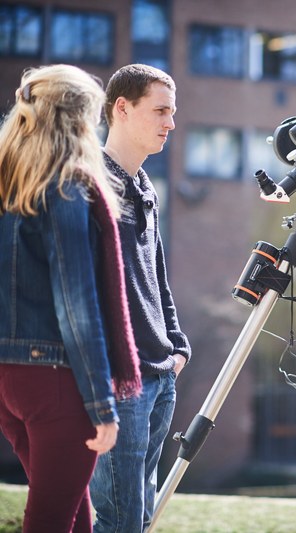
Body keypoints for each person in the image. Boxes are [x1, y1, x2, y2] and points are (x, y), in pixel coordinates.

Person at [0, 64, 140, 532]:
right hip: (54, 381)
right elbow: (76, 306)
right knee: (50, 520)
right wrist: (102, 405)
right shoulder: (67, 187)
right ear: (80, 120)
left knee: (74, 516)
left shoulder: (6, 184)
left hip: (6, 381)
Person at [90, 63, 191, 533]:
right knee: (120, 520)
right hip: (118, 382)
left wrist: (176, 345)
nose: (170, 123)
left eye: (172, 112)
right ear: (123, 109)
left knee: (141, 516)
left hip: (159, 374)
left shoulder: (145, 184)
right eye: (161, 111)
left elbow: (155, 275)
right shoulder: (89, 186)